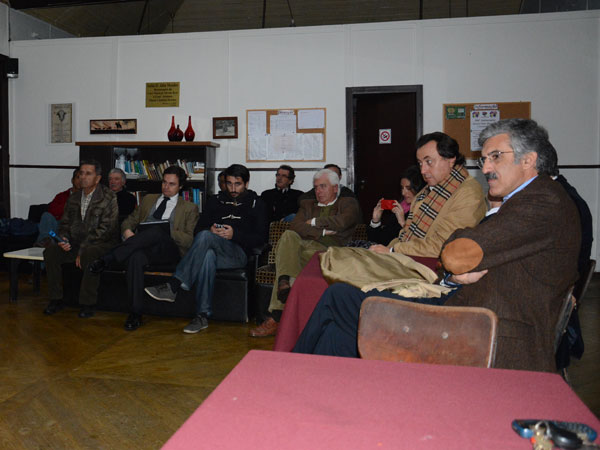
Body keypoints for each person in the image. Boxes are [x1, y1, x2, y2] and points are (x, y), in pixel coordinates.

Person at [293, 119, 581, 373]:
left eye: (495, 157)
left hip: (483, 328)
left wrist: (462, 256)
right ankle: (318, 396)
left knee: (340, 297)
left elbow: (454, 253)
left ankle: (288, 374)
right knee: (338, 330)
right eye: (484, 159)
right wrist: (458, 268)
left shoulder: (541, 202)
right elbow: (459, 254)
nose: (486, 168)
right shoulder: (529, 200)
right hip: (469, 309)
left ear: (528, 160)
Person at [144, 164, 267, 333]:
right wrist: (210, 230)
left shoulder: (257, 204)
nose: (233, 189)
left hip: (238, 254)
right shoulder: (215, 201)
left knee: (205, 238)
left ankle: (174, 284)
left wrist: (235, 235)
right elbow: (198, 231)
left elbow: (261, 239)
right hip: (213, 249)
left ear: (246, 183)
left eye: (237, 184)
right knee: (207, 254)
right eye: (229, 183)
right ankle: (201, 316)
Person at [249, 168, 361, 337]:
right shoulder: (308, 204)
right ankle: (284, 283)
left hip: (330, 252)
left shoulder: (347, 203)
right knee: (288, 235)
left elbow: (343, 222)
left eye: (323, 186)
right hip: (304, 248)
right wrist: (323, 232)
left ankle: (276, 315)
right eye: (316, 187)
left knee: (289, 258)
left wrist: (314, 222)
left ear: (335, 188)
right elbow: (296, 226)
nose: (318, 191)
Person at [88, 166, 199, 331]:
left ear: (180, 186)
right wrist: (127, 231)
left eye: (172, 184)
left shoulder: (189, 208)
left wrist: (167, 231)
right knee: (135, 257)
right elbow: (129, 221)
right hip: (144, 246)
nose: (166, 187)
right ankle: (135, 313)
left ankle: (108, 258)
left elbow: (189, 240)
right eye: (164, 182)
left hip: (169, 250)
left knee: (156, 230)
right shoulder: (148, 200)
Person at [43, 160, 120, 318]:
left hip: (102, 243)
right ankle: (56, 299)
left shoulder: (108, 197)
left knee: (90, 253)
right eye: (81, 173)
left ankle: (88, 303)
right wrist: (63, 239)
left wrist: (83, 248)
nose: (83, 177)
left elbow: (106, 229)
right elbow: (64, 224)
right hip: (76, 242)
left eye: (88, 174)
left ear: (97, 178)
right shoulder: (74, 198)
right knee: (51, 252)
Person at [367, 165, 424, 245]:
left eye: (408, 188)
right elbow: (379, 241)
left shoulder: (423, 210)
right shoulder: (401, 207)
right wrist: (375, 221)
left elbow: (416, 244)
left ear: (419, 188)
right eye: (402, 188)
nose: (403, 193)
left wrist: (402, 223)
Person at [35, 168, 81, 247]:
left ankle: (51, 242)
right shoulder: (61, 196)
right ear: (72, 180)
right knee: (46, 216)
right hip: (58, 226)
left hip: (74, 228)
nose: (80, 181)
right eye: (78, 177)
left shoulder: (89, 197)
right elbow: (52, 211)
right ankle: (46, 240)